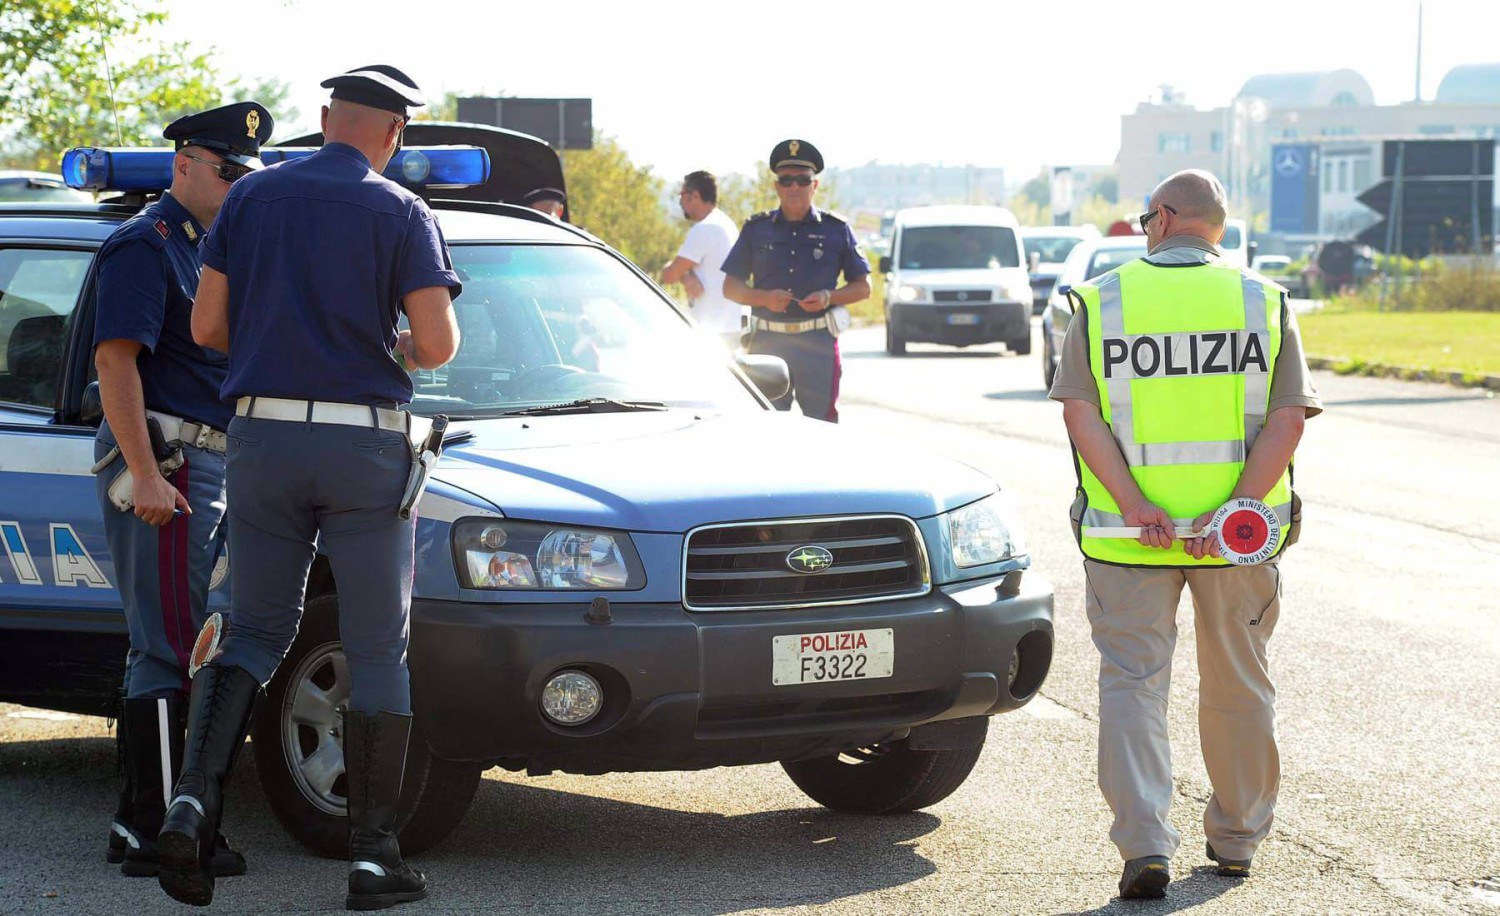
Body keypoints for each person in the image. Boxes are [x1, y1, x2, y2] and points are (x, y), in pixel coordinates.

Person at [155, 65, 460, 911]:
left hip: (261, 437)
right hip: (362, 447)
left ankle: (191, 808)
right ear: (395, 135)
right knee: (375, 646)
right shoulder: (402, 211)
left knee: (251, 626)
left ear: (326, 119)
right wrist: (386, 341)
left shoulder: (250, 200)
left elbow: (205, 327)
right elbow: (436, 346)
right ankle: (372, 856)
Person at [1048, 169, 1321, 900]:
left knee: (1134, 686)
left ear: (1164, 219)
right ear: (1217, 228)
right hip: (1235, 541)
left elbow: (1081, 414)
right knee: (1238, 683)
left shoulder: (1103, 302)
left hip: (1128, 539)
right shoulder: (1263, 302)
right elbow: (1288, 420)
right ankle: (1235, 841)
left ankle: (1145, 847)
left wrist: (1138, 504)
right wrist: (1230, 510)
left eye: (1145, 218)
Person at [92, 101, 272, 880]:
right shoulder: (148, 244)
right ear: (184, 165)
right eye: (226, 170)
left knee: (186, 642)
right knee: (170, 645)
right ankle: (162, 832)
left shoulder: (216, 250)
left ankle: (146, 825)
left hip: (209, 460)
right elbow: (116, 362)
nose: (236, 185)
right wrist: (148, 473)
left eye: (245, 175)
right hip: (170, 459)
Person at [723, 140, 870, 422]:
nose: (794, 188)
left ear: (814, 186)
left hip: (817, 343)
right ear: (777, 186)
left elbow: (863, 287)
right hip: (767, 343)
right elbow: (730, 287)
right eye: (786, 180)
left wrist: (829, 297)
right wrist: (763, 298)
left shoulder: (836, 230)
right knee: (765, 424)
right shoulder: (757, 229)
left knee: (822, 426)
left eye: (802, 180)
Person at [660, 170, 743, 349]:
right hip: (730, 326)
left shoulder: (705, 229)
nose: (680, 202)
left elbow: (669, 275)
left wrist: (682, 274)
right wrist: (687, 276)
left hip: (713, 331)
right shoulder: (723, 222)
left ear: (695, 196)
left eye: (682, 195)